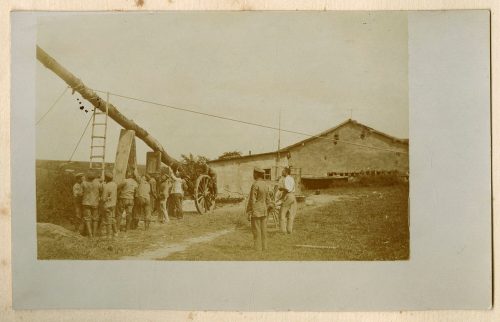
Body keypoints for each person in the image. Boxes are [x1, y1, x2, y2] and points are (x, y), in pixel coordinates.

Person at [245, 167, 271, 251]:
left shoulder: (255, 184)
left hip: (256, 210)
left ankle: (257, 248)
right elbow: (268, 199)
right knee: (264, 230)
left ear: (256, 174)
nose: (253, 175)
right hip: (264, 210)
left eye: (254, 173)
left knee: (256, 230)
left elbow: (252, 199)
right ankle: (265, 247)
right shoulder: (265, 184)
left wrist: (249, 211)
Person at [81, 171, 102, 238]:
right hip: (95, 203)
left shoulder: (83, 183)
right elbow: (101, 192)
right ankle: (94, 234)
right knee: (95, 219)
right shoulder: (98, 183)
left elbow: (81, 193)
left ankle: (90, 235)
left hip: (86, 203)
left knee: (87, 219)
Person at [278, 167, 297, 234]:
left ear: (286, 172)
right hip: (293, 196)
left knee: (282, 213)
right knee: (290, 214)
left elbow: (287, 190)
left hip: (288, 196)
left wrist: (281, 188)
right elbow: (290, 189)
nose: (282, 172)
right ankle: (289, 230)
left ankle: (283, 231)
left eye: (283, 171)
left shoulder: (286, 179)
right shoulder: (292, 178)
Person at [101, 172, 118, 239]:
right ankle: (115, 232)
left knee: (108, 220)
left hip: (107, 205)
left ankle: (109, 235)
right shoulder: (114, 184)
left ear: (106, 179)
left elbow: (104, 198)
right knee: (112, 218)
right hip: (113, 204)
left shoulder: (106, 186)